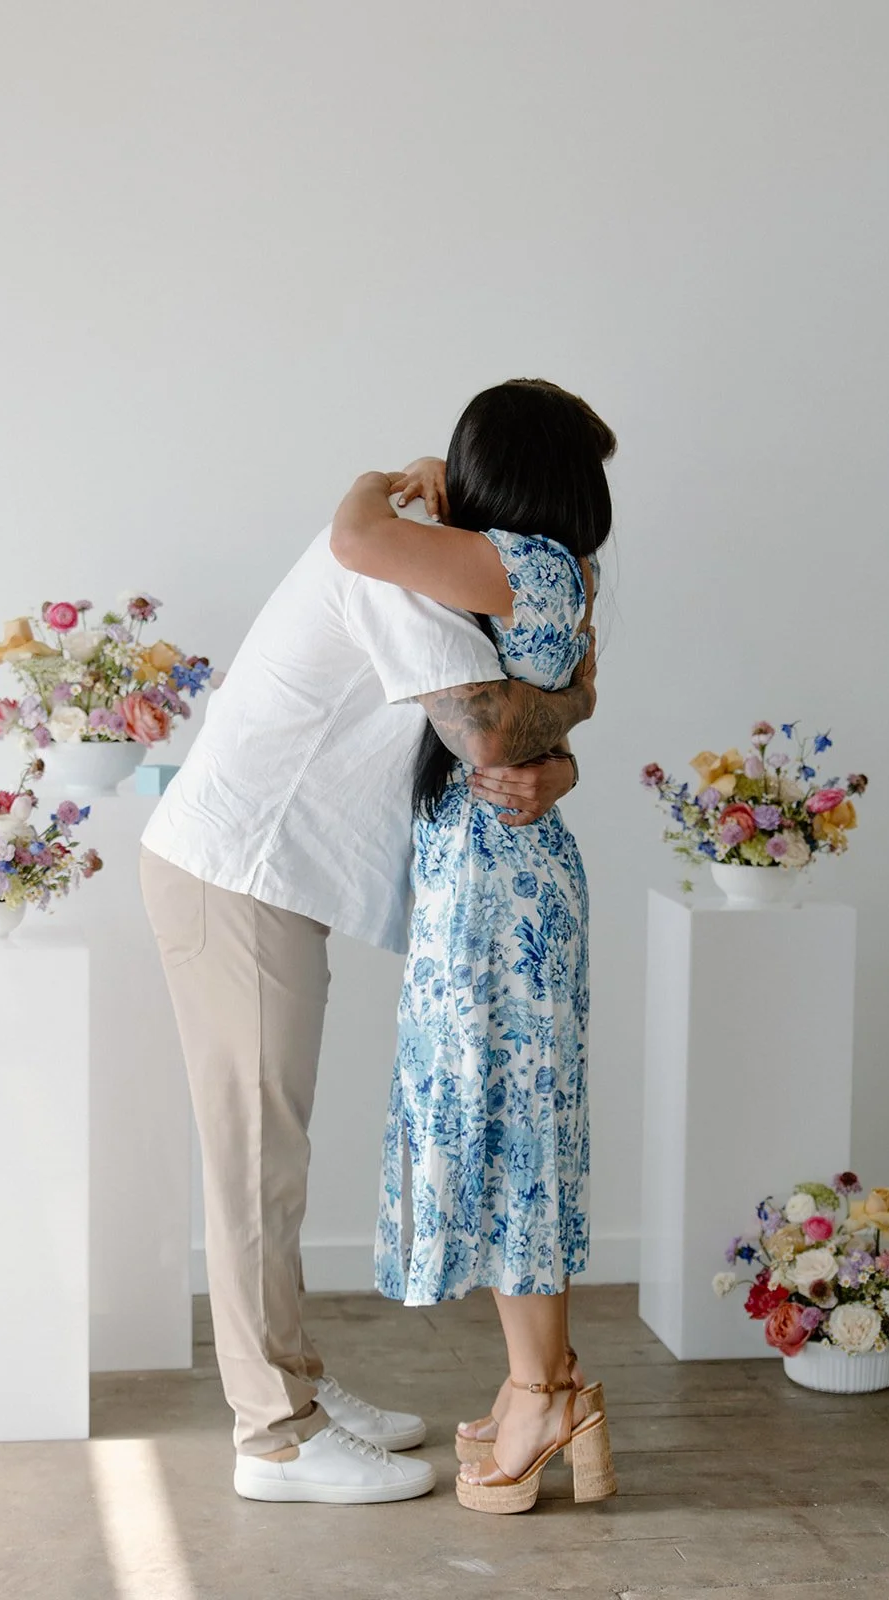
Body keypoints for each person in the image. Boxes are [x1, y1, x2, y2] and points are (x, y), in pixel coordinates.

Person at [139, 407, 597, 1504]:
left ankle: (292, 1384)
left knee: (272, 1152)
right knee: (255, 1157)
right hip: (238, 867)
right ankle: (275, 1437)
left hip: (264, 870)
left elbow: (509, 724)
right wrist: (575, 702)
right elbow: (488, 733)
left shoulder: (424, 556)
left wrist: (564, 743)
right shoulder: (397, 567)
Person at [329, 377, 618, 1515]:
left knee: (510, 1137)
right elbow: (538, 717)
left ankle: (542, 1394)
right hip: (498, 868)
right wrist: (567, 748)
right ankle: (546, 1384)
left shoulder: (523, 564)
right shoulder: (547, 572)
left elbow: (357, 536)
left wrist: (392, 478)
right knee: (509, 1129)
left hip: (500, 884)